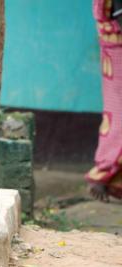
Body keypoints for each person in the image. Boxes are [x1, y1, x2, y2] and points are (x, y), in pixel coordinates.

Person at [86, 0, 122, 201]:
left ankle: (109, 177)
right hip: (117, 47)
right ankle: (104, 175)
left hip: (113, 45)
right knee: (118, 115)